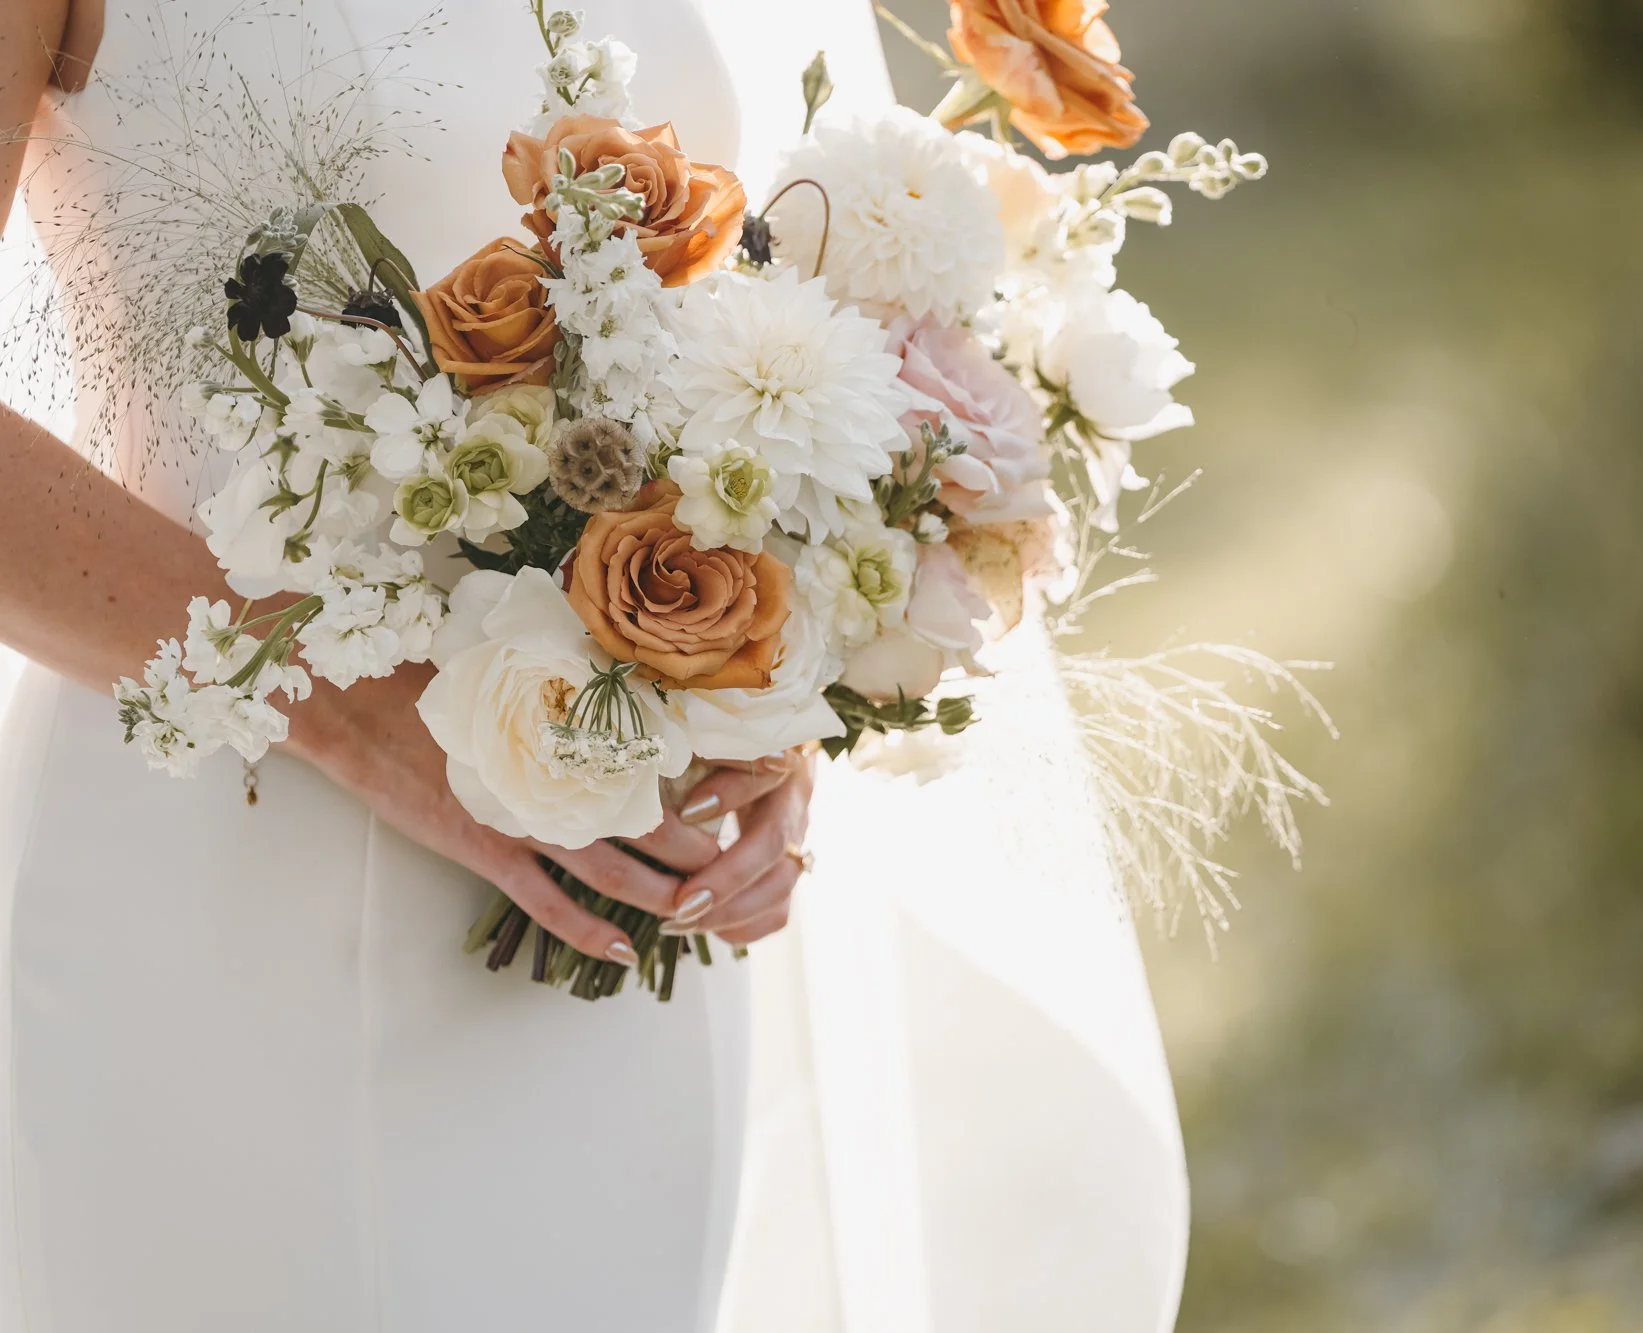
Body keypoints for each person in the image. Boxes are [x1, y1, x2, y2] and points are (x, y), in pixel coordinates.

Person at [0, 2, 1190, 1329]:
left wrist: (773, 677)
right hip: (228, 868)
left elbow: (737, 297)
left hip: (616, 902)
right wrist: (356, 716)